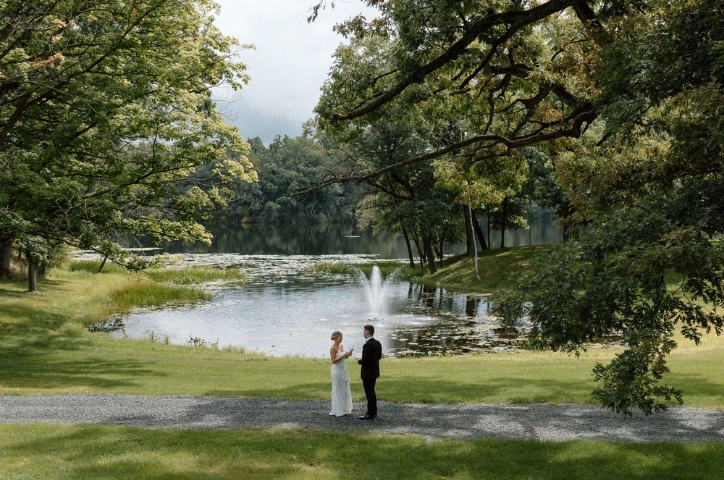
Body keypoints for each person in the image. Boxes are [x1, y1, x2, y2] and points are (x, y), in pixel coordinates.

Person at [357, 324, 382, 420]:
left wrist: (358, 360)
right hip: (374, 372)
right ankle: (373, 412)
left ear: (367, 332)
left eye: (364, 331)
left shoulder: (367, 345)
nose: (363, 333)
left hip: (367, 373)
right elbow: (379, 357)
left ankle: (370, 413)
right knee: (372, 392)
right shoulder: (378, 343)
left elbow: (365, 361)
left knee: (369, 393)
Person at [329, 330, 353, 417]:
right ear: (335, 338)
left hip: (343, 369)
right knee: (337, 389)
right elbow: (333, 361)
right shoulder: (333, 348)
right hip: (337, 370)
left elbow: (342, 358)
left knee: (343, 388)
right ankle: (337, 410)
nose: (341, 339)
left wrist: (347, 355)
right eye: (340, 337)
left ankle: (344, 409)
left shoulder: (341, 346)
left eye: (342, 337)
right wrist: (343, 355)